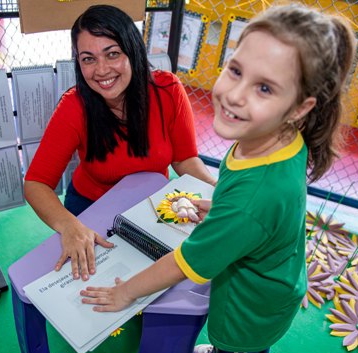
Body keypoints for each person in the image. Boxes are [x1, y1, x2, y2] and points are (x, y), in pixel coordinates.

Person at [80, 3, 356, 353]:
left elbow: (186, 263)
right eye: (236, 70)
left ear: (299, 108)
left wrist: (125, 292)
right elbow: (251, 206)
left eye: (264, 87)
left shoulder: (252, 198)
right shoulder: (273, 138)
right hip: (269, 276)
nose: (235, 95)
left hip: (249, 313)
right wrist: (224, 208)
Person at [24, 5, 216, 281]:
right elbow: (36, 183)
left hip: (152, 204)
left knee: (163, 283)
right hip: (91, 206)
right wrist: (70, 227)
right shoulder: (74, 106)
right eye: (88, 59)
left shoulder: (168, 90)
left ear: (133, 50)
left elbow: (185, 159)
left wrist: (218, 193)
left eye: (112, 54)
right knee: (92, 286)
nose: (101, 70)